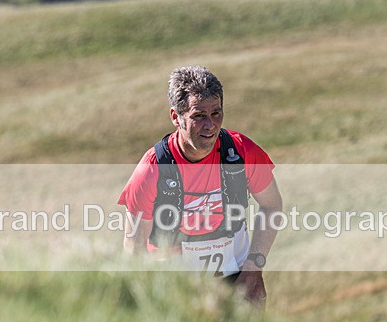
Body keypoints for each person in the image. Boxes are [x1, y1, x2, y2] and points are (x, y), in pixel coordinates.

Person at [118, 65, 283, 308]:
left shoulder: (240, 152)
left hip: (236, 277)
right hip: (173, 288)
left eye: (216, 113)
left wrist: (253, 268)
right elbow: (134, 244)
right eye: (198, 116)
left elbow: (272, 205)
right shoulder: (153, 168)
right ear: (176, 117)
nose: (210, 125)